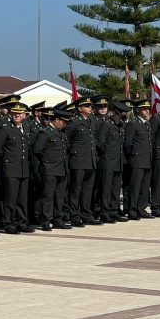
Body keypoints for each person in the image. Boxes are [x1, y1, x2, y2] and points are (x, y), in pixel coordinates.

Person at [0, 100, 33, 234]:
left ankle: (22, 222)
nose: (16, 115)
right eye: (14, 113)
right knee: (10, 198)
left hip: (23, 169)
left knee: (22, 198)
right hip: (10, 168)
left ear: (24, 115)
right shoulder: (5, 128)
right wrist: (6, 161)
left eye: (19, 113)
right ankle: (8, 223)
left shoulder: (26, 127)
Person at [34, 107, 71, 230]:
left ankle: (58, 218)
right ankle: (46, 220)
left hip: (61, 169)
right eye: (64, 122)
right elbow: (37, 151)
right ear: (57, 120)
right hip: (49, 169)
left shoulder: (61, 133)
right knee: (48, 196)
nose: (65, 125)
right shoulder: (46, 132)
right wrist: (42, 167)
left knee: (59, 196)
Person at [66, 97, 99, 226]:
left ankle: (87, 215)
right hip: (78, 160)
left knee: (87, 190)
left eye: (90, 106)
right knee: (76, 190)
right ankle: (74, 216)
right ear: (79, 108)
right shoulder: (74, 122)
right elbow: (67, 140)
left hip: (90, 161)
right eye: (87, 106)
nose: (90, 108)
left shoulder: (91, 121)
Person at [95, 101, 129, 223]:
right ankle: (104, 212)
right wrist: (106, 157)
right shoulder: (107, 125)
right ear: (114, 113)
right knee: (106, 189)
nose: (120, 117)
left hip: (118, 162)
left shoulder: (120, 125)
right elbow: (100, 144)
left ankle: (114, 211)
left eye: (122, 116)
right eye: (119, 115)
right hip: (108, 162)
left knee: (115, 189)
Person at [124, 100, 153, 219]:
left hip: (147, 160)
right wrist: (133, 157)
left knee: (144, 187)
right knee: (135, 187)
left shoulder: (147, 124)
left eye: (148, 109)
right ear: (138, 110)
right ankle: (132, 210)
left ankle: (141, 209)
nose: (147, 111)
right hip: (137, 160)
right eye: (144, 109)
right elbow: (128, 144)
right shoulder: (133, 124)